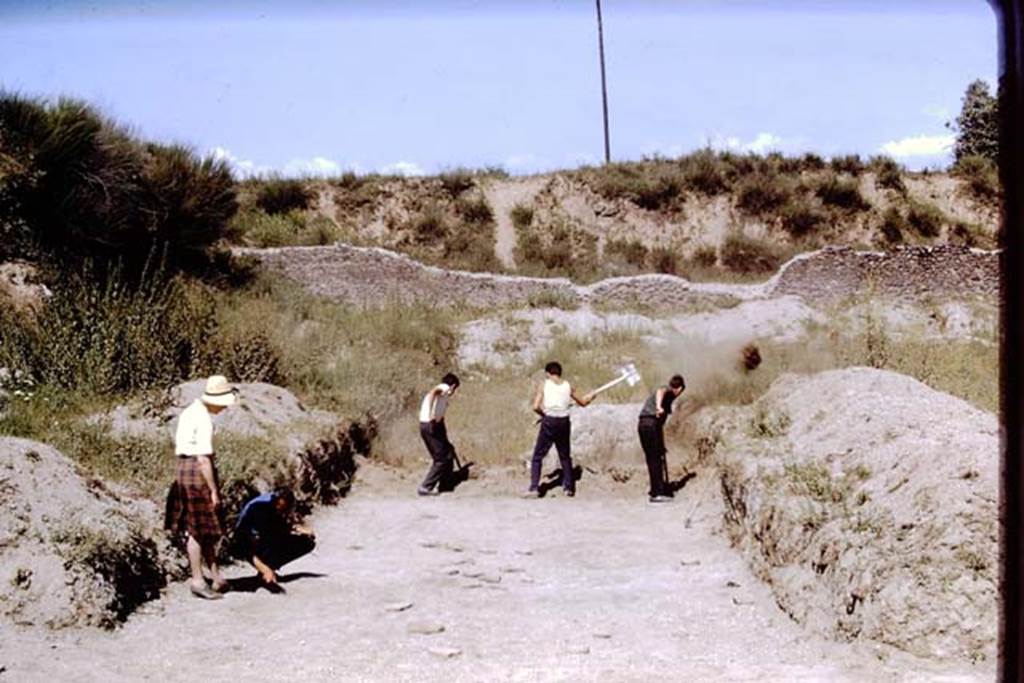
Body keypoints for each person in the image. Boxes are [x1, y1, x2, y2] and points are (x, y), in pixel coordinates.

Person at [166, 375, 237, 600]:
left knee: (203, 529)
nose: (224, 409)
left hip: (183, 471)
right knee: (197, 530)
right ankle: (198, 579)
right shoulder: (203, 419)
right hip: (197, 473)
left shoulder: (189, 412)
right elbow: (203, 459)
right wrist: (214, 489)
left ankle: (216, 577)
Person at [524, 361, 594, 498]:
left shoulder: (544, 384)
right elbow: (583, 403)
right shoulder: (568, 386)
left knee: (538, 456)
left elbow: (535, 406)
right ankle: (568, 488)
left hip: (550, 421)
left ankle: (534, 488)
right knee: (564, 455)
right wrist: (591, 397)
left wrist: (544, 415)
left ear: (548, 373)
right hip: (564, 421)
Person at [231, 488, 316, 592]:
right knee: (268, 541)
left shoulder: (273, 506)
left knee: (307, 542)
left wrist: (298, 529)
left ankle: (267, 571)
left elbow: (278, 526)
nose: (280, 510)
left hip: (263, 538)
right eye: (279, 507)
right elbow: (243, 543)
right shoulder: (258, 508)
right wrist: (264, 569)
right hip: (242, 543)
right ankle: (266, 572)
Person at [638, 374, 686, 503]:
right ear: (679, 389)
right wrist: (659, 407)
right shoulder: (668, 391)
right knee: (655, 458)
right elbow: (661, 391)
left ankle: (658, 487)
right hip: (650, 424)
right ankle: (657, 493)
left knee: (654, 457)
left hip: (647, 425)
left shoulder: (669, 396)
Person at [417, 373, 460, 496]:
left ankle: (445, 484)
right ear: (452, 386)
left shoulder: (444, 397)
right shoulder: (444, 388)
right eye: (455, 389)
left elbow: (440, 417)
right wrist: (431, 414)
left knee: (448, 453)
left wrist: (445, 438)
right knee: (441, 459)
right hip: (429, 425)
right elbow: (433, 393)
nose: (454, 392)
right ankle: (425, 487)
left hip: (434, 426)